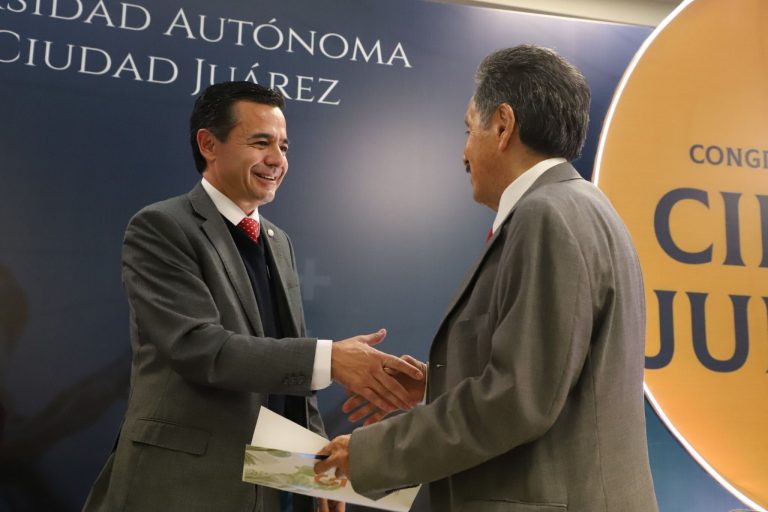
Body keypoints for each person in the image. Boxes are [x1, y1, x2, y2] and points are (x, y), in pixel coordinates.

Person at [315, 45, 659, 512]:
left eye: (468, 129)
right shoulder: (585, 208)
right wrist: (437, 386)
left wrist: (368, 454)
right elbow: (553, 375)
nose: (464, 152)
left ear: (502, 125)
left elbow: (517, 399)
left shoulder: (545, 217)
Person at [82, 81, 423, 512]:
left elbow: (295, 381)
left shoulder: (279, 242)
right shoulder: (162, 227)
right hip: (178, 488)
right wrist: (331, 359)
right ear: (208, 144)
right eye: (261, 143)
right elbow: (199, 349)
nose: (277, 159)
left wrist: (321, 473)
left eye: (283, 146)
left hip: (264, 486)